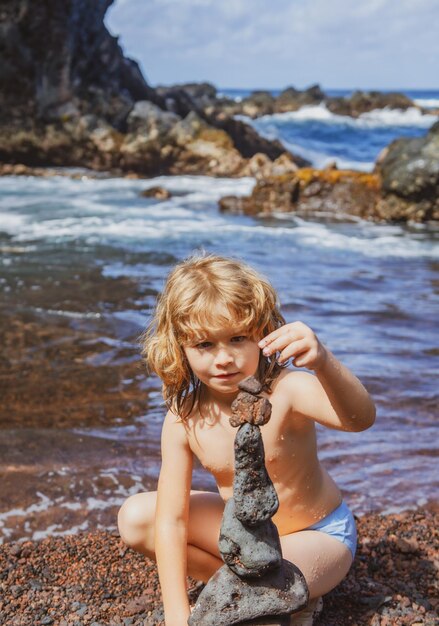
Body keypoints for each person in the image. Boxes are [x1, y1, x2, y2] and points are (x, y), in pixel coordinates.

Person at [117, 253, 376, 626]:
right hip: (246, 543)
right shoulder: (184, 419)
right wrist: (176, 613)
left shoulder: (287, 391)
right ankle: (256, 596)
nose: (223, 358)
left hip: (318, 535)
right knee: (136, 518)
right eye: (204, 345)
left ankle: (273, 598)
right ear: (180, 348)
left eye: (237, 338)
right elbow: (171, 521)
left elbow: (361, 420)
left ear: (262, 332)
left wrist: (322, 361)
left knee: (267, 582)